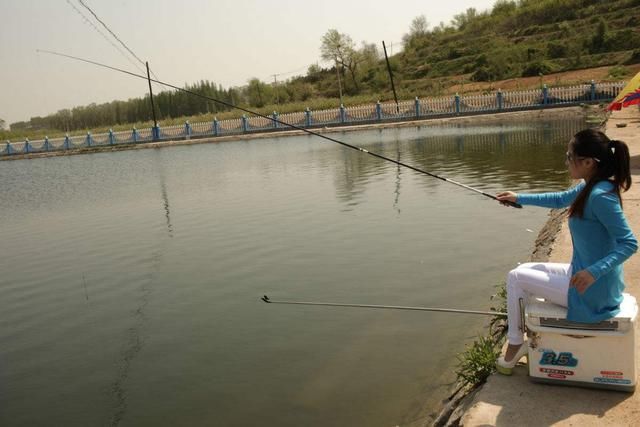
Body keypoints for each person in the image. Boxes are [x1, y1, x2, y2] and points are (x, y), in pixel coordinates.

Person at [494, 128, 637, 374]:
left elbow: (630, 243)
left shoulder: (600, 195)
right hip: (588, 278)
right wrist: (518, 197)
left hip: (592, 291)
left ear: (588, 162)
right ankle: (525, 332)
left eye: (570, 156)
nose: (567, 160)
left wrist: (593, 272)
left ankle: (516, 344)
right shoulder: (589, 187)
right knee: (524, 271)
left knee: (515, 278)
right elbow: (560, 199)